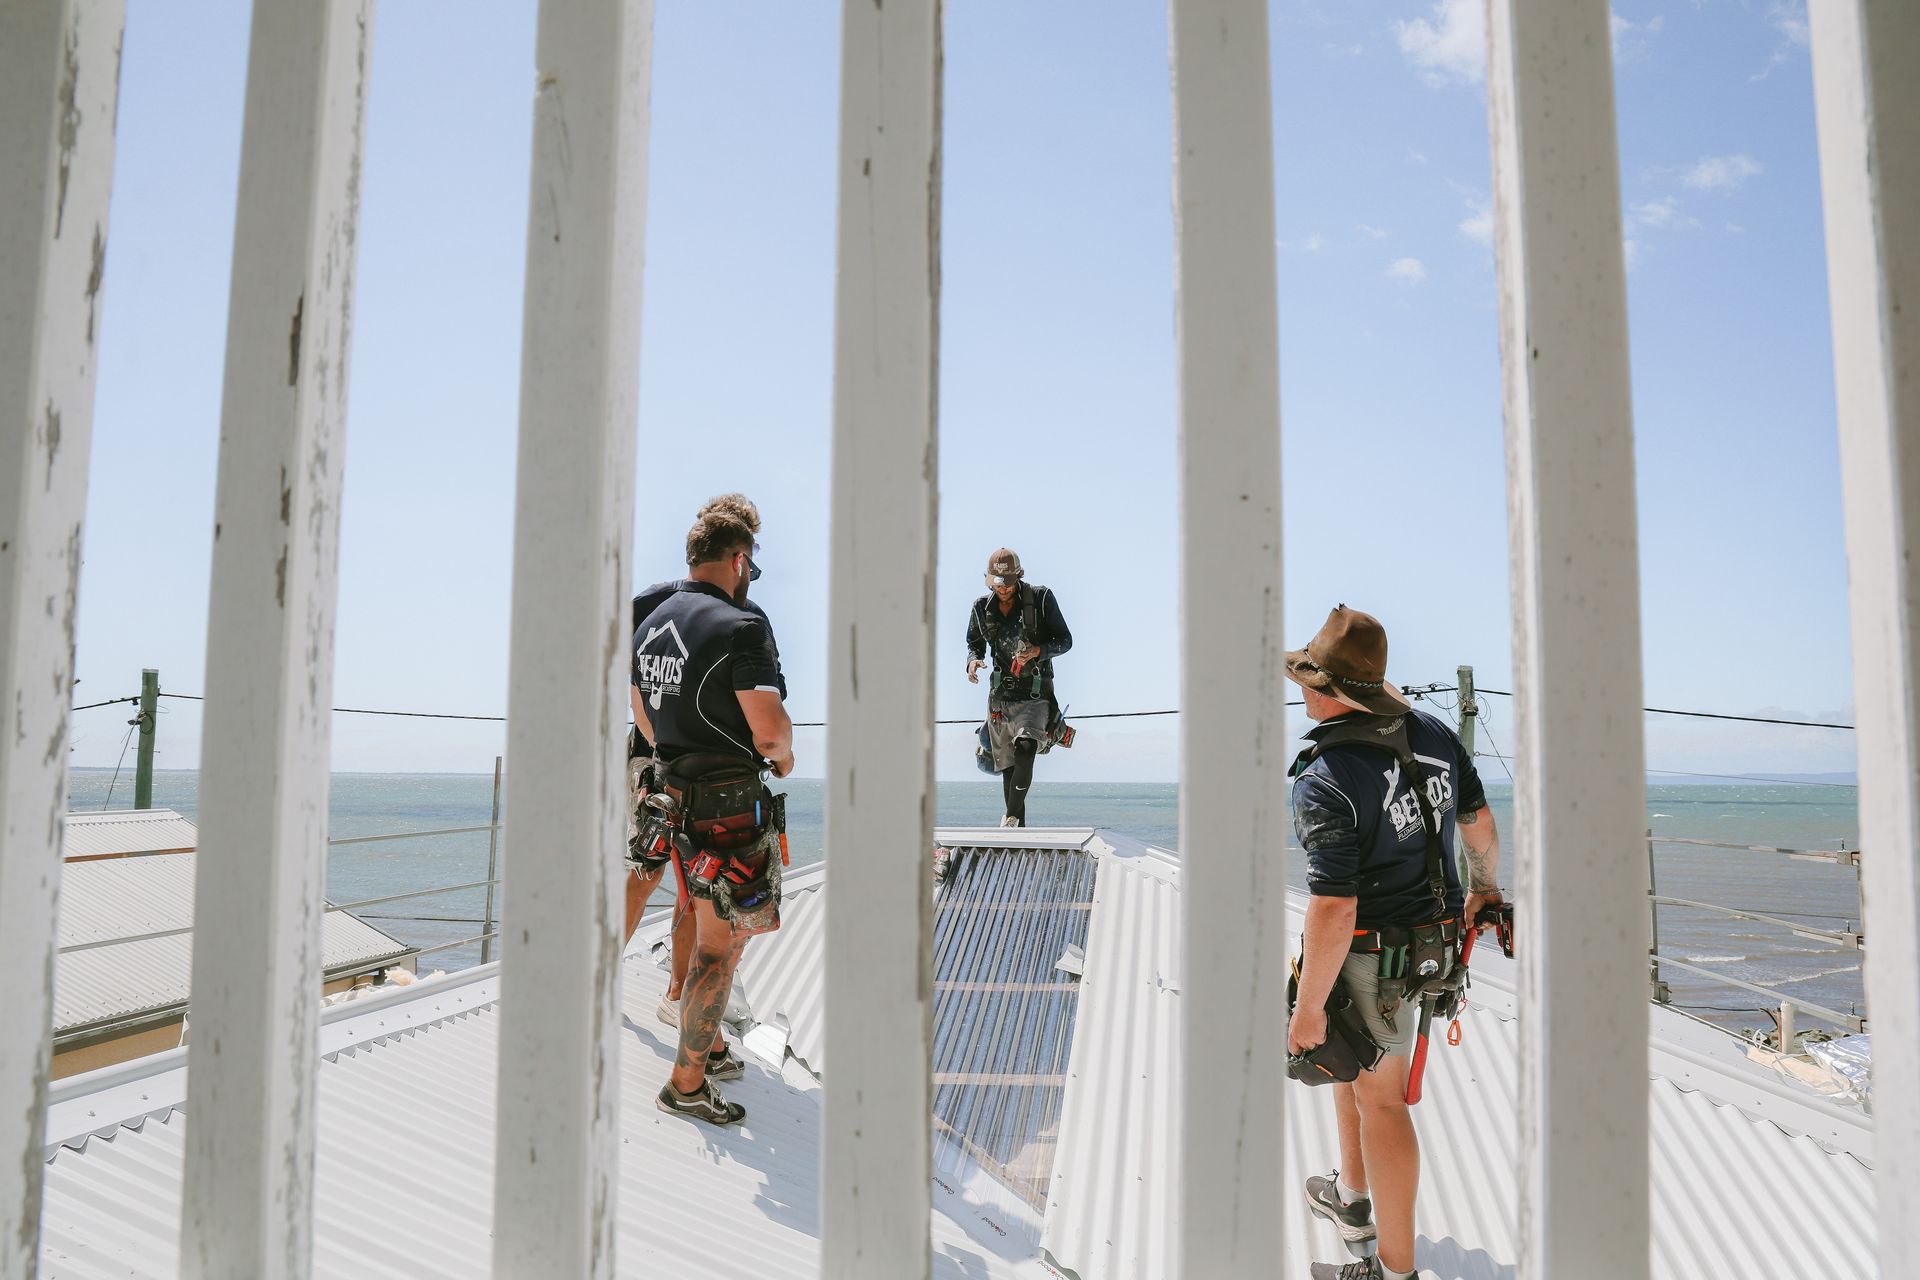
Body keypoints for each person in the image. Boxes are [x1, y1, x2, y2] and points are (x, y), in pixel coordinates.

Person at [1282, 605, 1503, 1280]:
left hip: (1370, 957)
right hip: (1432, 947)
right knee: (1353, 1071)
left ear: (1329, 691)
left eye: (1308, 677)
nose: (1300, 687)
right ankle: (1351, 1201)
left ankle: (1394, 1270)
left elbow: (1333, 906)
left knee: (1381, 1101)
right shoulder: (1433, 734)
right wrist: (1485, 891)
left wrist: (1308, 1009)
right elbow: (1479, 824)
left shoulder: (1325, 775)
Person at [631, 503, 793, 1127]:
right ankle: (687, 1083)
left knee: (705, 927)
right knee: (719, 951)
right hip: (729, 811)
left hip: (674, 800)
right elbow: (771, 732)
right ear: (739, 559)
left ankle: (713, 1044)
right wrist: (782, 759)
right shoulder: (740, 625)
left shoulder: (653, 622)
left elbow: (644, 717)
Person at [965, 548, 1072, 827]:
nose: (1003, 589)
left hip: (1035, 693)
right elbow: (973, 644)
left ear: (1019, 576)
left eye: (1008, 582)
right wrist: (973, 661)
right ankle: (1017, 827)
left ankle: (1010, 817)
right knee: (1008, 767)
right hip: (1000, 697)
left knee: (1026, 747)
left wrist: (1038, 650)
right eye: (997, 583)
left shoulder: (1041, 599)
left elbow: (1065, 640)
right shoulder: (980, 608)